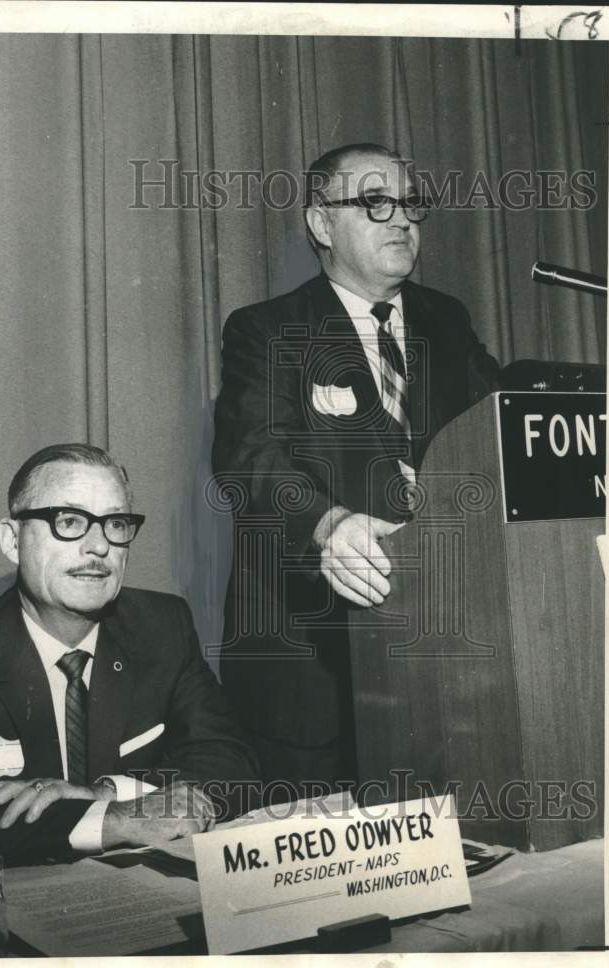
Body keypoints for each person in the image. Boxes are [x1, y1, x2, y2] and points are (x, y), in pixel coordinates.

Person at [212, 142, 500, 794]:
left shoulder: (445, 321)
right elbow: (249, 459)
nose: (401, 220)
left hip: (440, 658)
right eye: (374, 202)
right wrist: (327, 523)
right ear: (320, 225)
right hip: (315, 661)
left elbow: (497, 430)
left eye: (409, 203)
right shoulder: (266, 329)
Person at [0, 443, 259, 868]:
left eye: (115, 524)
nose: (99, 546)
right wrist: (113, 820)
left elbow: (233, 763)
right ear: (12, 541)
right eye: (69, 521)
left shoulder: (163, 626)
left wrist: (107, 793)